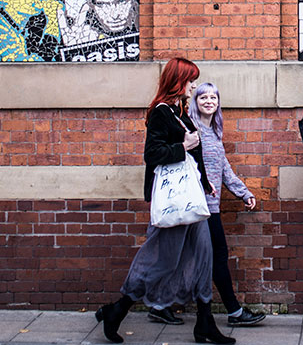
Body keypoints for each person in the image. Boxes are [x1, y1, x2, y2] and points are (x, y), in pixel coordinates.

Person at [95, 58, 234, 344]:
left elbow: (194, 157)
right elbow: (152, 154)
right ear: (177, 81)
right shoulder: (161, 113)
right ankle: (117, 311)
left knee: (205, 256)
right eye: (190, 80)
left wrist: (206, 183)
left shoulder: (178, 112)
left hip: (194, 198)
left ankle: (204, 323)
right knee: (161, 261)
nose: (193, 85)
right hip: (175, 201)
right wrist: (182, 146)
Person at [189, 82, 267, 327]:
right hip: (198, 207)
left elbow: (224, 171)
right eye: (204, 97)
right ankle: (233, 312)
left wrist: (244, 193)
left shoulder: (213, 132)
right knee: (217, 256)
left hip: (210, 206)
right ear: (196, 101)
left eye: (214, 97)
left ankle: (160, 307)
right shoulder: (192, 130)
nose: (209, 101)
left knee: (185, 257)